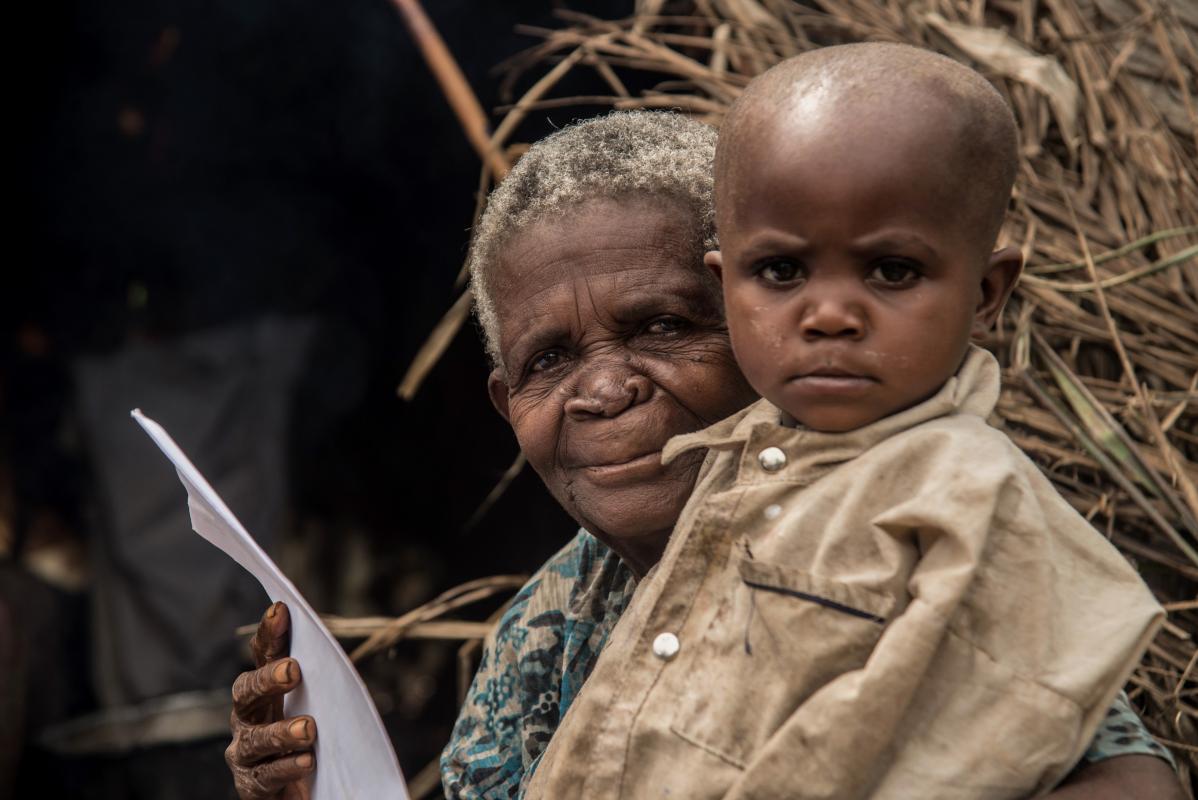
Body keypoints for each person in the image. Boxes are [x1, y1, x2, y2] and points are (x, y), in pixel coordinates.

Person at [223, 112, 1184, 799]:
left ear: (765, 323)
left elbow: (1126, 775)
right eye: (549, 361)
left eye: (666, 326)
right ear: (506, 404)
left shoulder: (903, 523)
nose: (604, 391)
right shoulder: (542, 632)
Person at [522, 48, 1168, 800]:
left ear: (987, 294)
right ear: (725, 284)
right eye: (782, 273)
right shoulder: (722, 477)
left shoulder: (974, 498)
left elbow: (1044, 748)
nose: (829, 315)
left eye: (891, 271)